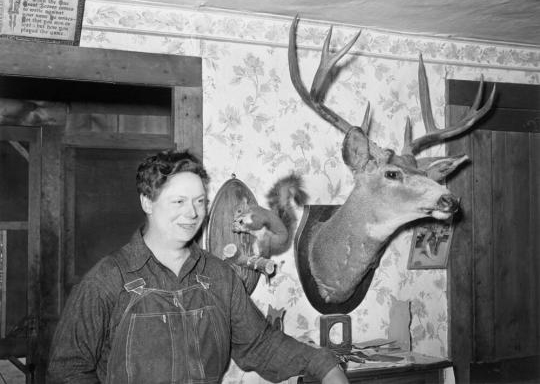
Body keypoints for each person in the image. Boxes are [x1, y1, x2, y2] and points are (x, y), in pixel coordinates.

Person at [47, 149, 348, 384]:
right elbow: (67, 371)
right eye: (178, 202)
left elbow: (260, 344)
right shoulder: (107, 280)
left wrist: (324, 365)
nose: (192, 213)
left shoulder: (219, 277)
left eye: (200, 201)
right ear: (147, 203)